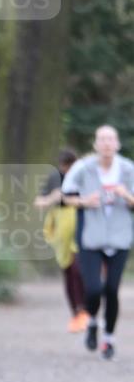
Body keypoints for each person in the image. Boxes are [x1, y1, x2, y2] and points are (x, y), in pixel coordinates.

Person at [61, 126, 134, 359]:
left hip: (120, 238)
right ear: (95, 144)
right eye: (102, 139)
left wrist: (126, 195)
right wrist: (85, 201)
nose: (106, 143)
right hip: (91, 238)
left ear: (117, 144)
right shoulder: (83, 168)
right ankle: (92, 320)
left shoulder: (128, 169)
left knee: (111, 289)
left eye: (110, 139)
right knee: (93, 289)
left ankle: (108, 339)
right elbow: (66, 196)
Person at [34, 149, 88, 333]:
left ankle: (84, 309)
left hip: (81, 224)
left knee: (78, 269)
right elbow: (38, 202)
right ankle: (76, 312)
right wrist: (52, 197)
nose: (67, 171)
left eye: (69, 167)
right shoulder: (54, 177)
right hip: (61, 227)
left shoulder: (85, 175)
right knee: (68, 270)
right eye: (64, 167)